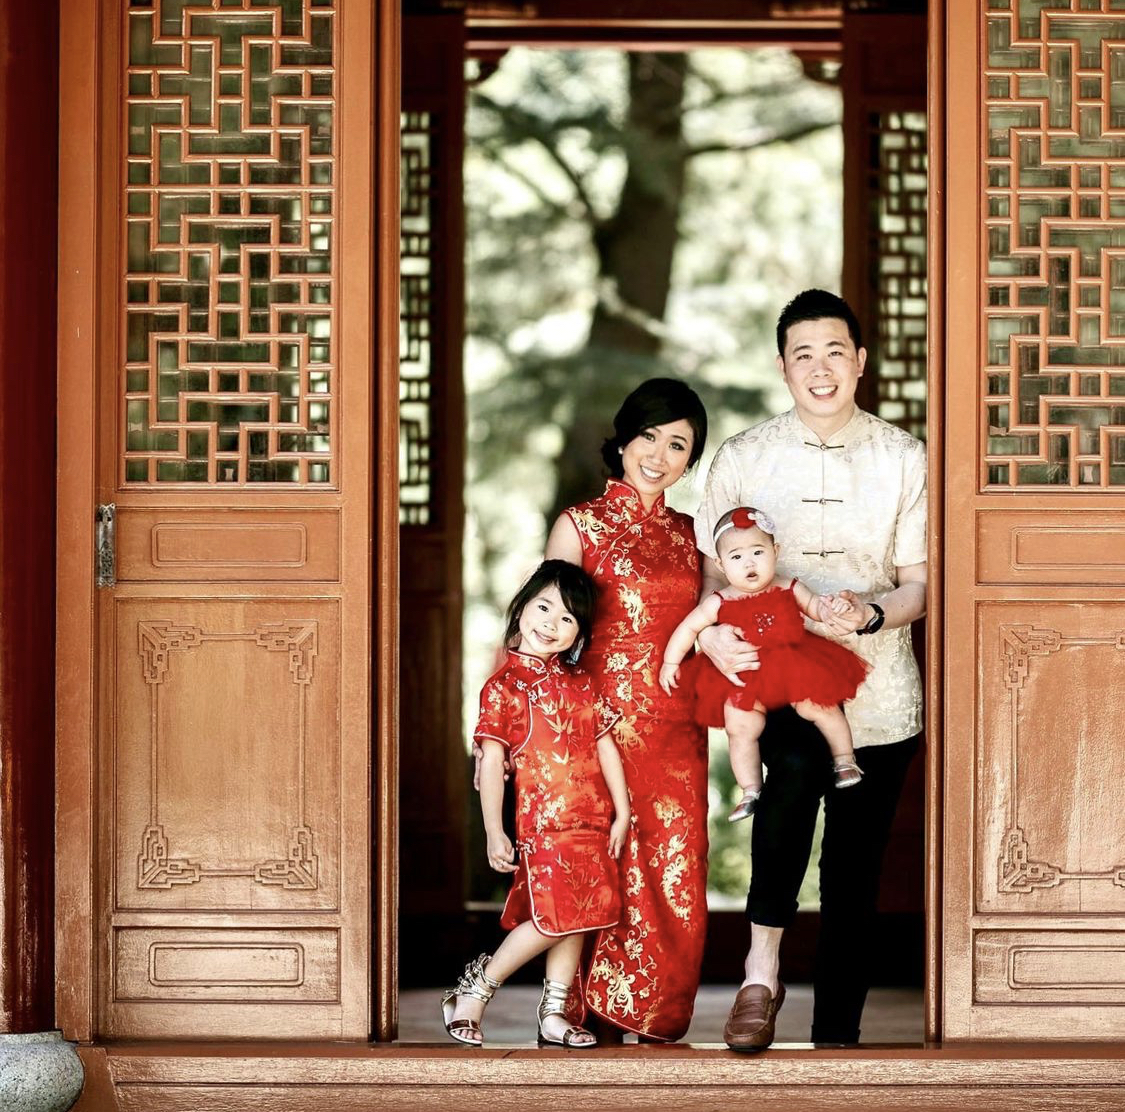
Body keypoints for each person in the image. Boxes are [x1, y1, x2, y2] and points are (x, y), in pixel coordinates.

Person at [694, 289, 926, 1050]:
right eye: (803, 355)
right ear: (781, 366)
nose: (820, 369)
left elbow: (917, 586)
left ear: (859, 361)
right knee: (788, 788)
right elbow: (709, 587)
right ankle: (760, 973)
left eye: (834, 352)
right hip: (779, 681)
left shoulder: (903, 456)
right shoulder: (742, 457)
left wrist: (868, 613)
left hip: (879, 689)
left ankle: (837, 1040)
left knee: (853, 870)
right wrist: (710, 642)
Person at [544, 377, 709, 1042]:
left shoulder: (693, 536)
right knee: (596, 867)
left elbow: (719, 617)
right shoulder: (577, 524)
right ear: (623, 438)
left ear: (689, 462)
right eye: (649, 435)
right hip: (597, 728)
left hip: (675, 729)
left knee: (673, 869)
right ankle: (578, 1013)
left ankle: (657, 1016)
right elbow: (546, 631)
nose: (659, 454)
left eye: (678, 444)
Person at [443, 560, 631, 1048]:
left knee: (583, 914)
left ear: (579, 632)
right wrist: (493, 830)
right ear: (522, 606)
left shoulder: (583, 683)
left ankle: (554, 1013)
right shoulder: (502, 688)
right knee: (553, 916)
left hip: (594, 819)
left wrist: (624, 811)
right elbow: (490, 765)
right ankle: (473, 991)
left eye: (567, 618)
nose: (551, 623)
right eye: (544, 606)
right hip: (544, 823)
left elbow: (605, 745)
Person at [659, 505, 869, 824]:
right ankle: (750, 788)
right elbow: (690, 627)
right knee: (740, 725)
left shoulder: (787, 586)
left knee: (819, 705)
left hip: (792, 666)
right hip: (744, 675)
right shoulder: (720, 600)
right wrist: (671, 660)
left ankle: (844, 759)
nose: (749, 563)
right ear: (720, 564)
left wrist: (831, 608)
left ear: (776, 551)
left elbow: (815, 607)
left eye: (758, 552)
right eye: (737, 557)